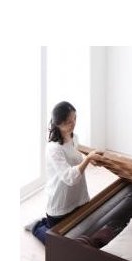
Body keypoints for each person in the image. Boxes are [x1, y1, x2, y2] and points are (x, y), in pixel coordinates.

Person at [26, 101, 104, 244]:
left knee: (81, 236)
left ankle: (45, 222)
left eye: (75, 118)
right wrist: (88, 160)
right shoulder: (53, 148)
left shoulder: (74, 137)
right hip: (60, 204)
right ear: (58, 124)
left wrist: (90, 158)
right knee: (59, 245)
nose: (73, 124)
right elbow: (69, 178)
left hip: (78, 199)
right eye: (68, 122)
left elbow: (75, 156)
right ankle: (37, 226)